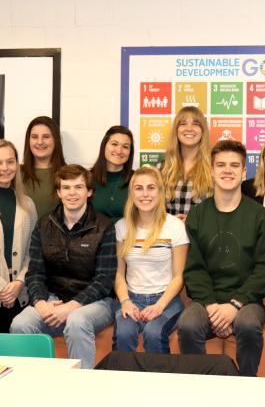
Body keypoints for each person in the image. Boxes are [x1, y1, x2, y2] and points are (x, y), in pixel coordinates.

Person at [177, 140, 265, 376]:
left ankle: (246, 384)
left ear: (244, 172)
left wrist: (235, 304)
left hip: (247, 301)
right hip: (206, 301)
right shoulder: (197, 215)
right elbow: (193, 268)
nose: (227, 170)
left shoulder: (261, 217)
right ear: (211, 171)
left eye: (234, 165)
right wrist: (211, 305)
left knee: (249, 324)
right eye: (220, 165)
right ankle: (199, 387)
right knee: (188, 325)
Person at [11, 164, 117, 369]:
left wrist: (71, 307)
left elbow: (105, 279)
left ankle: (80, 389)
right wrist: (41, 303)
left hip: (96, 303)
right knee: (20, 324)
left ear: (89, 191)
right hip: (52, 298)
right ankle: (37, 385)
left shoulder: (105, 226)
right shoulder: (44, 225)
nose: (72, 193)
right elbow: (35, 273)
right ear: (59, 192)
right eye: (66, 187)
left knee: (76, 321)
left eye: (78, 187)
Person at [114, 166, 189, 353]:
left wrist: (159, 306)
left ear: (160, 191)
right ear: (132, 193)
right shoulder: (121, 227)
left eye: (151, 187)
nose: (145, 194)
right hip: (132, 298)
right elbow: (119, 275)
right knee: (123, 334)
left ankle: (159, 382)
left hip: (166, 300)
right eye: (139, 188)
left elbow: (178, 277)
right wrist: (125, 301)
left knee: (153, 333)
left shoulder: (175, 227)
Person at [0, 140, 37, 332]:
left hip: (18, 297)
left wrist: (19, 282)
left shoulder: (27, 204)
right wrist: (3, 289)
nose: (5, 168)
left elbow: (33, 251)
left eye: (10, 161)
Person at [161, 106, 213, 221]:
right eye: (183, 123)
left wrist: (192, 221)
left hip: (201, 237)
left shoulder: (214, 168)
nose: (189, 128)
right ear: (176, 130)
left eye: (196, 123)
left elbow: (222, 209)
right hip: (170, 236)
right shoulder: (162, 168)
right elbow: (153, 210)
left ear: (203, 130)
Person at [21, 116, 66, 218]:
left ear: (56, 140)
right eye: (34, 137)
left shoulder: (68, 175)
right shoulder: (15, 173)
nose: (40, 142)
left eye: (46, 136)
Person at [91, 125, 134, 224]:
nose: (119, 151)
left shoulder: (137, 180)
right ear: (104, 146)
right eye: (114, 144)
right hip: (95, 238)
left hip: (128, 238)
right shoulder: (86, 179)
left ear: (130, 152)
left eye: (125, 147)